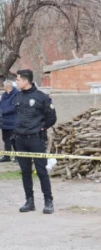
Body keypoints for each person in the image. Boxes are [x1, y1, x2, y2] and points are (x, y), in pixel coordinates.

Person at [13, 69, 57, 214]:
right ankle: (29, 201)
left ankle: (48, 201)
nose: (16, 82)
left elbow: (51, 118)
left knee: (41, 171)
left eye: (18, 79)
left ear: (26, 81)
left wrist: (41, 128)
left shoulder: (41, 97)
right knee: (25, 172)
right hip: (20, 140)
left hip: (35, 139)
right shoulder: (17, 96)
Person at [0, 80, 18, 162]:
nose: (2, 87)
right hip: (5, 122)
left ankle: (18, 156)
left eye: (3, 86)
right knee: (6, 139)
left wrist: (2, 112)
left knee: (15, 140)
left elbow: (14, 107)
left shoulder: (16, 94)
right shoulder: (4, 95)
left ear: (7, 87)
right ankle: (7, 156)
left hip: (13, 122)